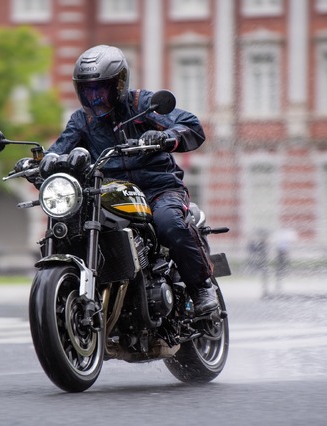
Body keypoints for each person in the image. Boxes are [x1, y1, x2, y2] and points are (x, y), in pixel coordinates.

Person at [46, 44, 218, 315]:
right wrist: (44, 161)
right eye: (87, 90)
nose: (94, 97)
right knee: (70, 223)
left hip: (159, 188)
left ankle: (200, 288)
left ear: (118, 85)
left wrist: (166, 137)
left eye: (100, 89)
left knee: (169, 223)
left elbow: (191, 125)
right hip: (110, 193)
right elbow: (60, 147)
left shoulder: (143, 105)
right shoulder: (81, 121)